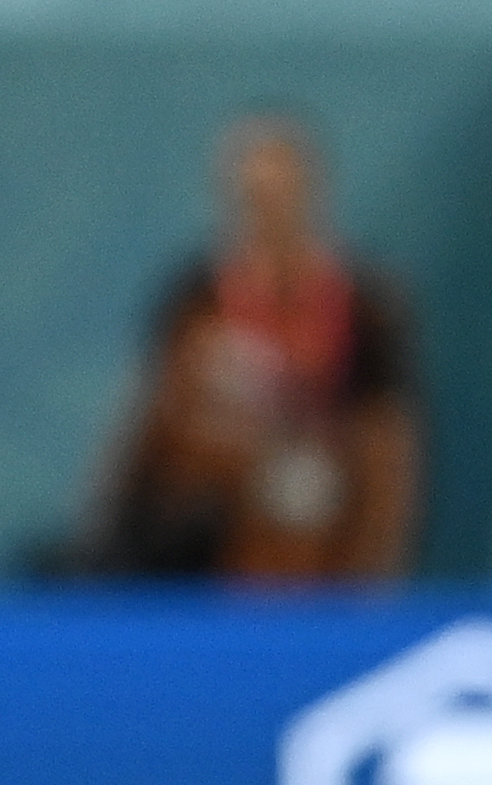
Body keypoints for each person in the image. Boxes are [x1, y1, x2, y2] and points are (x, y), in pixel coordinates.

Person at [80, 115, 422, 583]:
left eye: (283, 192)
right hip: (209, 533)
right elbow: (151, 420)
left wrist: (377, 567)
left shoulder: (364, 303)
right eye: (255, 194)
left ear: (313, 191)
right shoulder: (196, 298)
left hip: (325, 520)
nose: (270, 209)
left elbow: (388, 440)